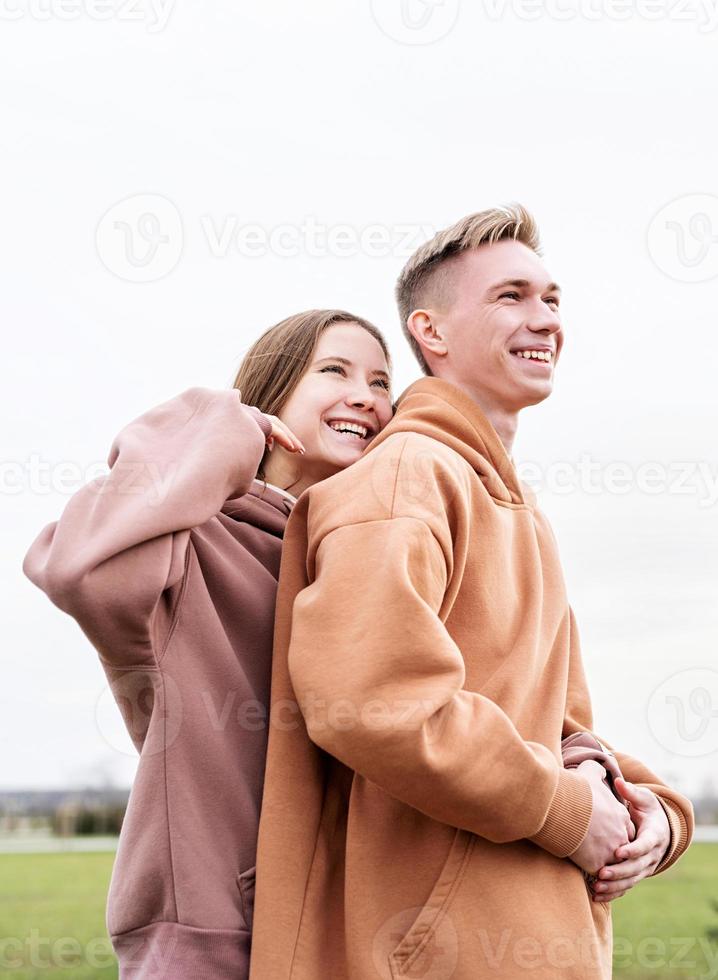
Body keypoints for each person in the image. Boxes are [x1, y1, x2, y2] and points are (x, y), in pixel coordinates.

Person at [249, 208, 695, 979]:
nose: (544, 318)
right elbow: (377, 701)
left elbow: (559, 728)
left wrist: (653, 811)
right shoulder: (403, 477)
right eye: (511, 296)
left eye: (552, 298)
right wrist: (563, 811)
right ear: (433, 332)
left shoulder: (517, 508)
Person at [23, 309, 394, 980]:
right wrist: (216, 428)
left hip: (348, 935)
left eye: (381, 381)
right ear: (273, 393)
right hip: (213, 939)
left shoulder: (372, 563)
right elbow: (79, 568)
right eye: (334, 370)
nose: (366, 395)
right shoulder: (191, 541)